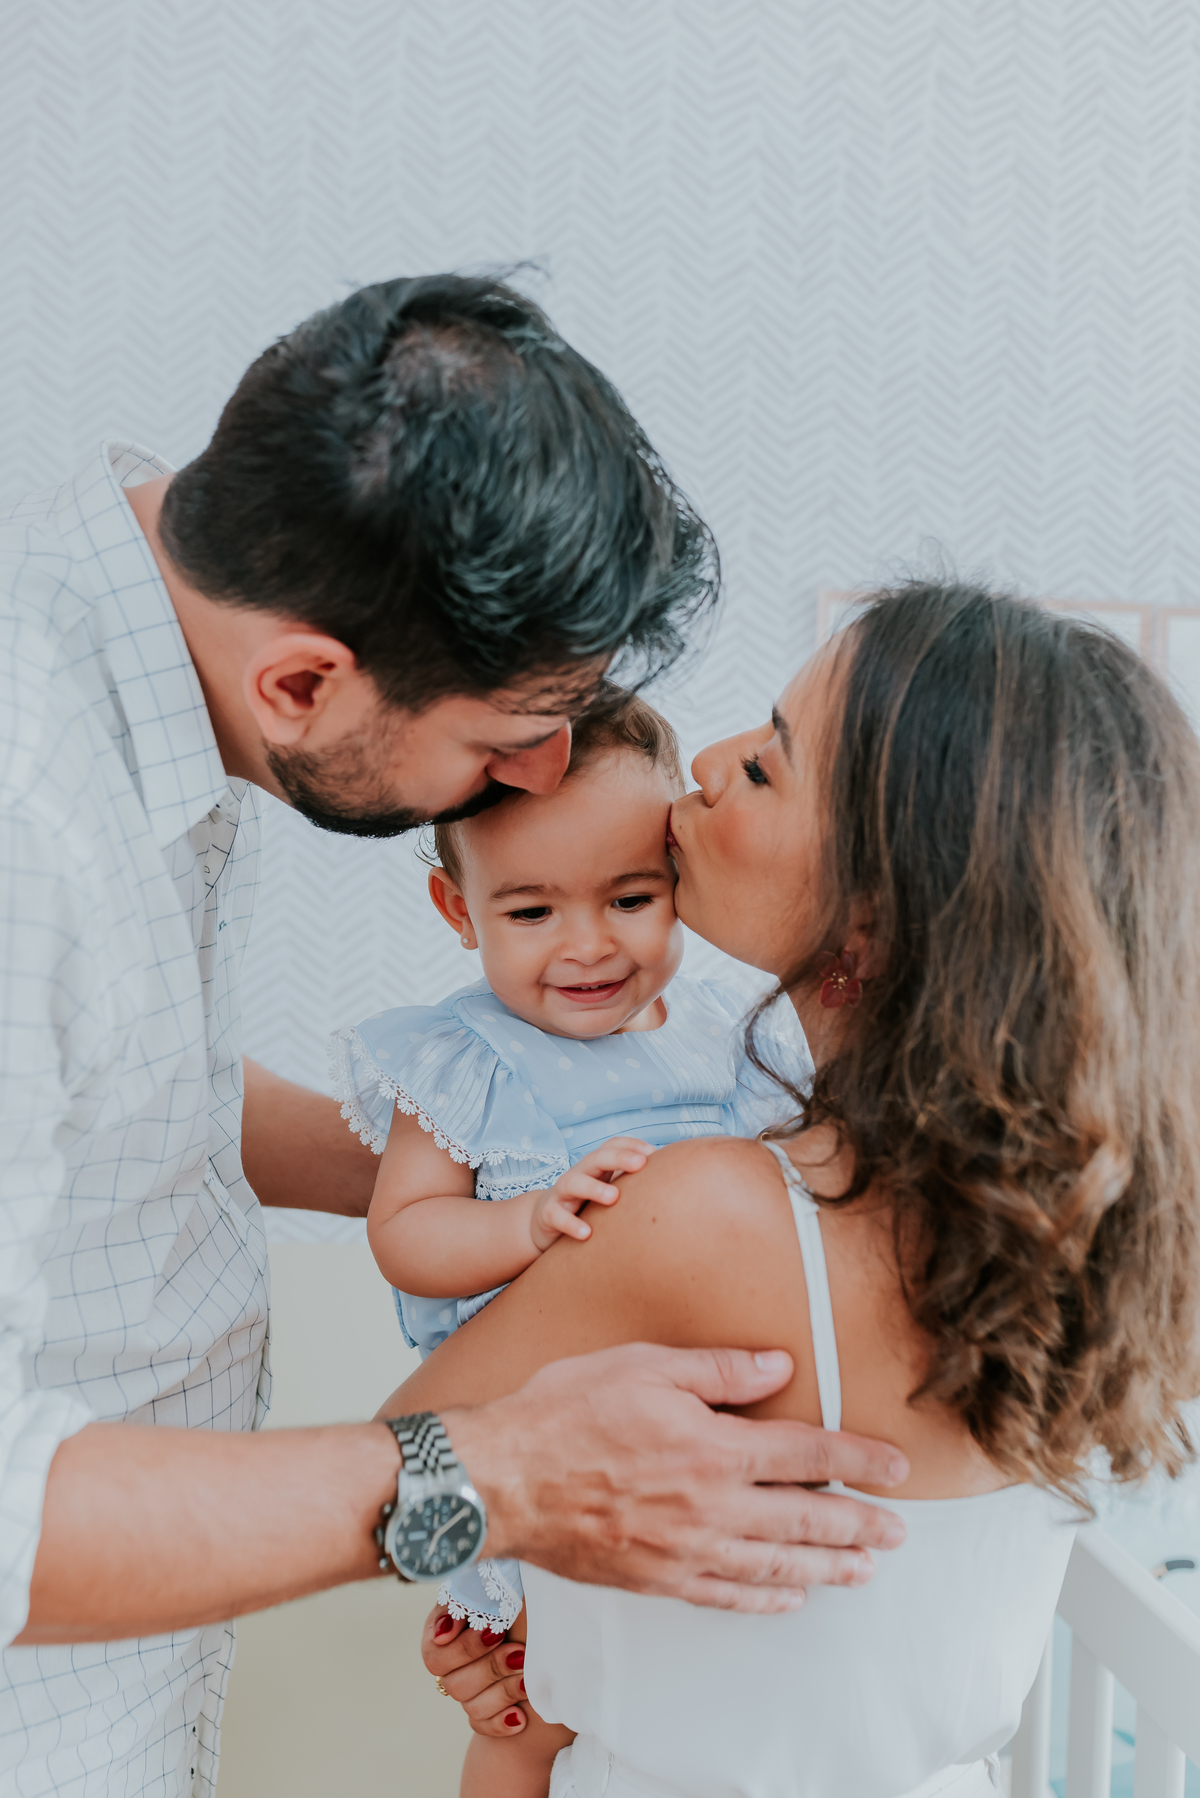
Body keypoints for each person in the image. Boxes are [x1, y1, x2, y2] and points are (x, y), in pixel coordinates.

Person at [0, 273, 907, 1796]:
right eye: (507, 737)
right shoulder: (29, 812)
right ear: (304, 681)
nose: (544, 769)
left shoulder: (151, 683)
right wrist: (496, 1475)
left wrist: (511, 1173)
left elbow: (112, 1095)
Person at [410, 582, 1200, 1798]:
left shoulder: (708, 1216)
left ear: (869, 926)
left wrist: (518, 1639)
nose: (711, 766)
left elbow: (379, 1494)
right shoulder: (1108, 1248)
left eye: (771, 765)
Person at [332, 690, 810, 1700]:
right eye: (533, 911)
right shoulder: (466, 1056)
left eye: (630, 899)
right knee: (532, 1704)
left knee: (681, 1675)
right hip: (537, 1431)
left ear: (676, 881)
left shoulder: (730, 1026)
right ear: (461, 912)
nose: (588, 944)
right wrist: (526, 1223)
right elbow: (407, 1232)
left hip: (702, 1422)